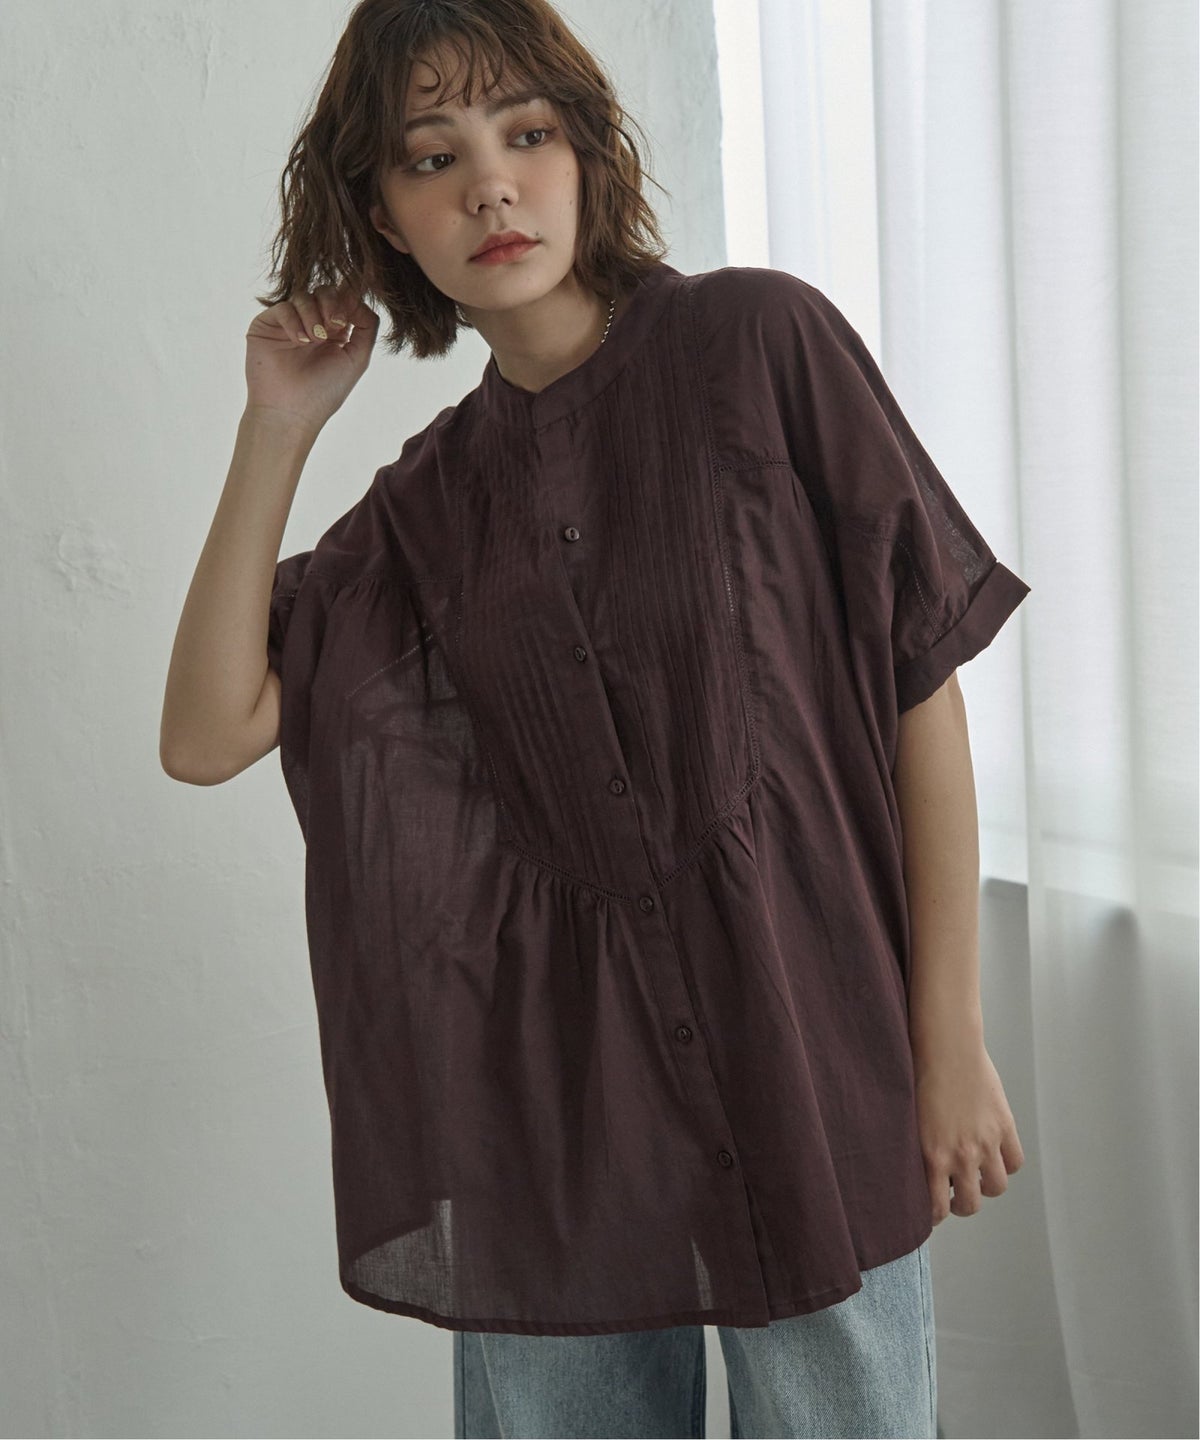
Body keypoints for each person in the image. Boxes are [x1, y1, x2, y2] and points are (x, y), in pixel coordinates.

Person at [159, 1, 1030, 1436]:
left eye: (526, 133)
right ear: (382, 215)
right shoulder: (428, 506)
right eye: (431, 158)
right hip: (562, 1138)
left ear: (586, 152)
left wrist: (951, 1041)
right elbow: (206, 734)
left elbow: (918, 688)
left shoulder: (761, 343)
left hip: (815, 1068)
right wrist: (278, 425)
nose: (489, 187)